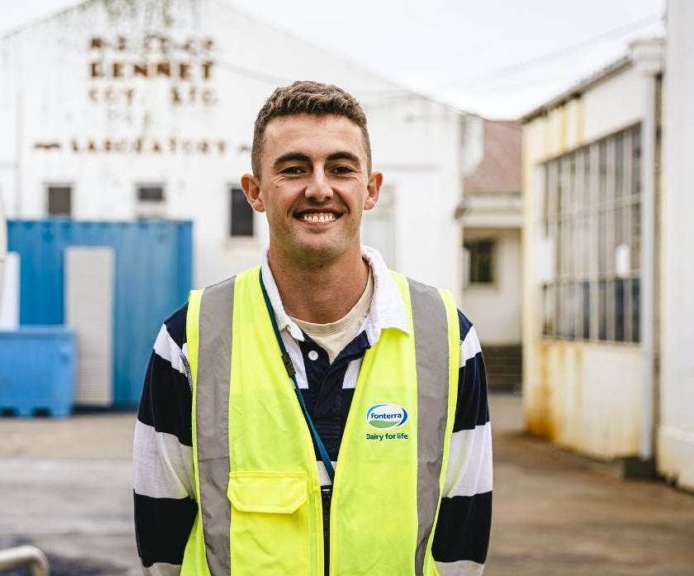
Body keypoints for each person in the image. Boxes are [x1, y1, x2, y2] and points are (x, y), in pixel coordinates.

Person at [133, 81, 491, 576]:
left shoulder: (448, 339)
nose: (319, 187)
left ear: (371, 189)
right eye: (294, 168)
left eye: (341, 168)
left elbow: (462, 539)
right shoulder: (189, 340)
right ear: (255, 192)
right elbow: (161, 540)